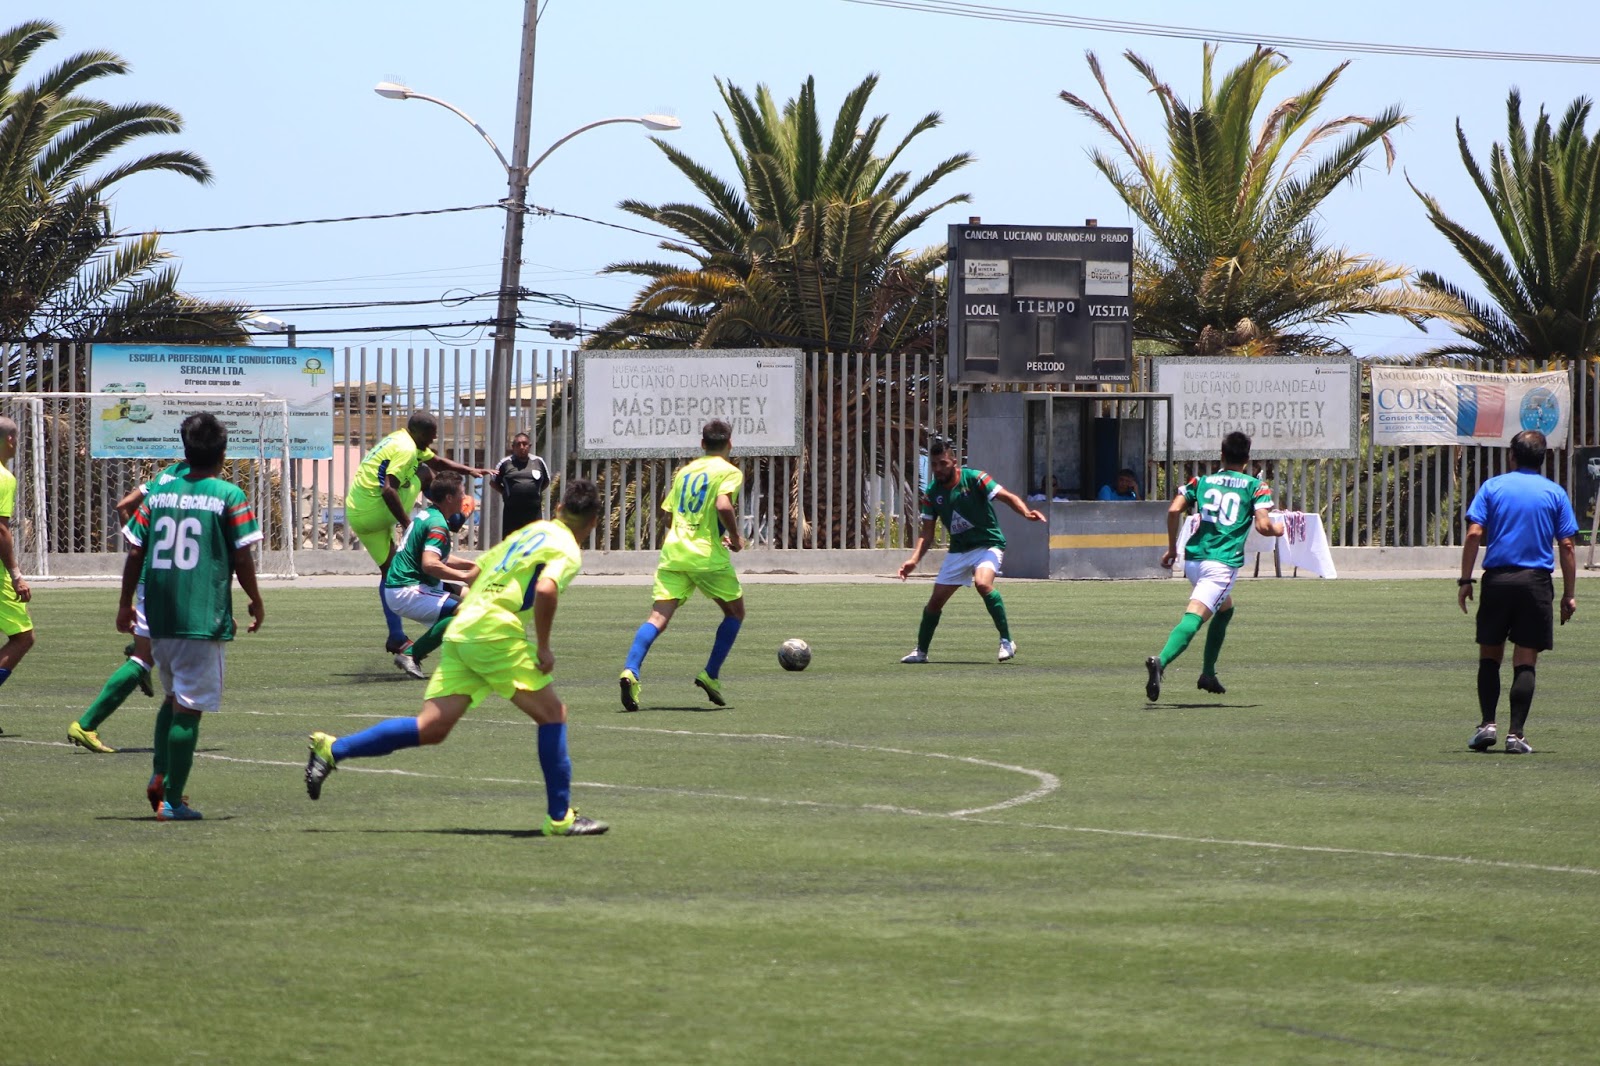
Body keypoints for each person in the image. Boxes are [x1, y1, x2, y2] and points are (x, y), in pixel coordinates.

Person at [305, 478, 609, 837]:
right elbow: (546, 588)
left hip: (465, 626)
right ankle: (560, 818)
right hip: (494, 631)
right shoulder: (568, 549)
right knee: (553, 715)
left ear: (557, 509)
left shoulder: (535, 530)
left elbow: (479, 569)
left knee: (430, 728)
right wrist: (543, 646)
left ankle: (332, 750)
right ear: (592, 523)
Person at [119, 412, 265, 821]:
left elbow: (134, 552)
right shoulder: (228, 494)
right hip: (201, 619)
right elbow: (241, 555)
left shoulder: (158, 496)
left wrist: (125, 602)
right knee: (190, 708)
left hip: (159, 618)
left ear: (185, 451)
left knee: (171, 698)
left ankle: (160, 771)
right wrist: (255, 599)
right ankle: (173, 799)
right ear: (223, 452)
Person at [1459, 429, 1578, 755]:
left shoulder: (1493, 487)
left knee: (1490, 656)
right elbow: (1567, 544)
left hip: (1497, 581)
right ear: (1542, 459)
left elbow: (1473, 534)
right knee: (1525, 660)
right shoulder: (1554, 493)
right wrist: (1569, 594)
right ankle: (1516, 735)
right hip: (1535, 584)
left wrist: (1465, 580)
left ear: (1512, 456)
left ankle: (1487, 725)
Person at [1145, 431, 1283, 701]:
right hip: (1221, 563)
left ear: (1221, 455)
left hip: (1194, 560)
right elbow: (1263, 525)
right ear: (1247, 459)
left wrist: (1173, 548)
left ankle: (1208, 673)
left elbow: (1174, 510)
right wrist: (1278, 529)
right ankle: (1161, 660)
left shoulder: (1203, 481)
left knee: (1225, 609)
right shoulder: (1255, 486)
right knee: (1194, 616)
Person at [619, 419, 745, 712]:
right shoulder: (729, 472)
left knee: (657, 618)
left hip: (674, 553)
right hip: (706, 556)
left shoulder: (685, 472)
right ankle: (710, 674)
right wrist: (736, 538)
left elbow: (667, 515)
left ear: (702, 444)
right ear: (730, 443)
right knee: (735, 613)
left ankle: (630, 671)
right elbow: (723, 505)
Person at [67, 458, 189, 753]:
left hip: (150, 572)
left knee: (146, 656)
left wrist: (141, 545)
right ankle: (87, 724)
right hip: (174, 579)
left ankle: (88, 723)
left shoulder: (164, 477)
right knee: (155, 659)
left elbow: (124, 506)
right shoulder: (196, 482)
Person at [345, 410, 491, 657]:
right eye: (431, 436)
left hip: (357, 513)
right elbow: (389, 490)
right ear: (420, 432)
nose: (432, 441)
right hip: (377, 507)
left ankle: (396, 637)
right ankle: (452, 515)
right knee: (423, 473)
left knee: (391, 573)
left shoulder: (402, 438)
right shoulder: (406, 449)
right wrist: (408, 524)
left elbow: (439, 462)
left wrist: (469, 470)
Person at [896, 436, 1045, 663]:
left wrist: (1025, 512)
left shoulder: (975, 478)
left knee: (983, 584)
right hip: (958, 552)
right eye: (934, 464)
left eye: (943, 463)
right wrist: (913, 560)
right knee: (935, 603)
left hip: (988, 544)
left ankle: (1006, 641)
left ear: (954, 462)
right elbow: (927, 534)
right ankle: (921, 652)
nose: (938, 469)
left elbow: (1007, 497)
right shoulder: (932, 493)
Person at [383, 471, 481, 679]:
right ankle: (411, 654)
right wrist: (464, 576)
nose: (465, 499)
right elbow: (430, 564)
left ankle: (469, 655)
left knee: (475, 601)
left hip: (407, 584)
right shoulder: (438, 525)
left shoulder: (428, 515)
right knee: (465, 612)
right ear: (449, 498)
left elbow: (437, 556)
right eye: (461, 494)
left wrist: (471, 565)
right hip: (407, 589)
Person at [0, 416, 35, 734]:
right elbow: (1, 528)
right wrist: (15, 574)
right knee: (24, 637)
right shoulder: (4, 477)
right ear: (10, 440)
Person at [490, 431, 550, 533]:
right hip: (512, 512)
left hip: (534, 511)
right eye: (518, 444)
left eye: (525, 444)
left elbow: (546, 481)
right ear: (513, 447)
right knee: (512, 543)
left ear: (529, 446)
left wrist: (535, 492)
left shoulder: (539, 462)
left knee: (534, 542)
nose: (522, 447)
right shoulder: (505, 463)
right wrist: (506, 493)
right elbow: (493, 482)